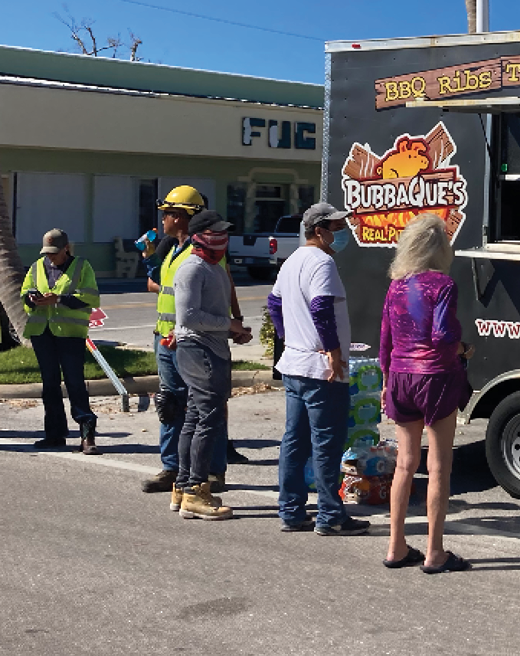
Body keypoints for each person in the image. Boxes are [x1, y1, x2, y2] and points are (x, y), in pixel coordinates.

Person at [139, 187, 250, 494]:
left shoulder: (205, 251)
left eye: (170, 213)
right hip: (165, 338)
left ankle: (212, 471)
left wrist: (235, 324)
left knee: (205, 407)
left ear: (187, 218)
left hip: (191, 339)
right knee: (171, 405)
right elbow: (158, 286)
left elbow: (226, 286)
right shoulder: (171, 249)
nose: (164, 219)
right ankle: (173, 468)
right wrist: (149, 259)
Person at [379, 214, 474, 573]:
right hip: (435, 377)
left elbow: (385, 342)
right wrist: (464, 349)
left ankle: (396, 547)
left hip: (401, 376)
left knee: (404, 464)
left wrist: (388, 381)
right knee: (439, 467)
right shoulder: (443, 284)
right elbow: (443, 335)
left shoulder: (396, 285)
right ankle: (435, 552)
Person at [268, 202, 369, 536]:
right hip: (321, 368)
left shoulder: (292, 261)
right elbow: (321, 306)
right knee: (326, 443)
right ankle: (330, 516)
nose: (342, 233)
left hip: (296, 364)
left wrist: (289, 338)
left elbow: (274, 304)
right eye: (337, 228)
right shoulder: (321, 262)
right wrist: (333, 350)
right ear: (319, 231)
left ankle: (291, 511)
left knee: (294, 441)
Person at [168, 211, 252, 519]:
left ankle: (183, 486)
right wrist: (227, 324)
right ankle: (195, 490)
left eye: (224, 233)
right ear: (200, 235)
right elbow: (188, 317)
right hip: (196, 348)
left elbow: (215, 314)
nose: (222, 238)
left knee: (195, 417)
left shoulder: (215, 267)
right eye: (216, 232)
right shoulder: (191, 269)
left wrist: (233, 329)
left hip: (212, 347)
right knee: (209, 417)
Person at [22, 228, 102, 453]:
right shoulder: (37, 266)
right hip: (42, 332)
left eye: (55, 252)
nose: (51, 257)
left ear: (66, 248)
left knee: (75, 383)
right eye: (47, 252)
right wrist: (31, 298)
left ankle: (87, 435)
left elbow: (91, 297)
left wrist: (59, 298)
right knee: (50, 385)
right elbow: (24, 292)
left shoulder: (81, 266)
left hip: (70, 334)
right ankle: (54, 435)